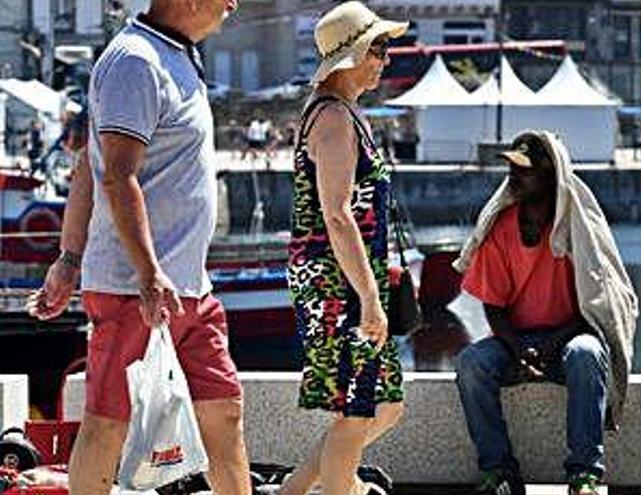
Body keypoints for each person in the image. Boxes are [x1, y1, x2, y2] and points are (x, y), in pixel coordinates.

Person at [27, 1, 251, 494]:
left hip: (189, 286)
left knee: (225, 412)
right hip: (138, 288)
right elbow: (115, 174)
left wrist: (68, 257)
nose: (234, 3)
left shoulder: (176, 56)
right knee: (108, 424)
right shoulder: (135, 61)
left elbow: (90, 162)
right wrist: (146, 274)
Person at [453, 130, 639, 495]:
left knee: (587, 354)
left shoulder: (577, 229)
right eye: (511, 169)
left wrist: (552, 343)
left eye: (525, 170)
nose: (514, 177)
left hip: (570, 339)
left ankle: (584, 475)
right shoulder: (501, 228)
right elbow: (494, 303)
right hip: (515, 344)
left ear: (551, 174)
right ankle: (499, 471)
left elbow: (597, 305)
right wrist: (518, 347)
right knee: (471, 364)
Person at [281, 3, 409, 495]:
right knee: (357, 413)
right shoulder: (333, 118)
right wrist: (371, 299)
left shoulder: (341, 113)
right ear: (349, 56)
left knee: (383, 403)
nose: (385, 59)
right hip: (340, 285)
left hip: (346, 279)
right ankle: (338, 487)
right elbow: (336, 214)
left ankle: (298, 491)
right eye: (376, 49)